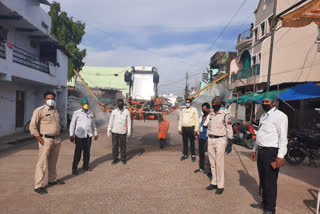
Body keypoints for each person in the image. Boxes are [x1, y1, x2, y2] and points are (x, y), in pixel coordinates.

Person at [250, 94, 288, 214]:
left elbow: (283, 138)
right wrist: (254, 149)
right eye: (263, 101)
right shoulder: (263, 116)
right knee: (263, 179)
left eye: (267, 102)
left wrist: (280, 156)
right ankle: (265, 202)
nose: (264, 104)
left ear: (273, 103)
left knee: (270, 180)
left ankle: (270, 208)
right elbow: (259, 134)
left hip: (271, 152)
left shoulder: (280, 116)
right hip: (261, 151)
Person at [29, 91, 64, 194]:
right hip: (46, 140)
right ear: (45, 100)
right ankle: (38, 185)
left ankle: (52, 179)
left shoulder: (56, 110)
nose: (51, 100)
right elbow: (32, 126)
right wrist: (39, 139)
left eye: (52, 99)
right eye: (49, 98)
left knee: (53, 161)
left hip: (56, 139)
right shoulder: (39, 110)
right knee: (42, 163)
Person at [205, 96, 233, 195]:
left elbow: (229, 128)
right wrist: (207, 137)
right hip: (211, 139)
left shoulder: (225, 115)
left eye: (216, 102)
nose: (214, 103)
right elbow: (208, 127)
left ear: (221, 104)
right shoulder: (211, 114)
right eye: (213, 102)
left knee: (219, 163)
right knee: (212, 163)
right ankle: (214, 182)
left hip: (220, 140)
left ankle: (220, 185)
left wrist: (230, 142)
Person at [69, 97, 98, 175]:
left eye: (87, 104)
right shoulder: (77, 113)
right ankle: (74, 168)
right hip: (79, 136)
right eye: (84, 104)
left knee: (87, 152)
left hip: (88, 136)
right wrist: (71, 135)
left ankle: (85, 166)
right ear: (81, 105)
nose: (85, 105)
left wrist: (96, 133)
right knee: (78, 153)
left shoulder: (91, 112)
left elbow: (93, 124)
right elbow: (72, 124)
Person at [107, 99, 131, 165]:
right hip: (115, 131)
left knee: (123, 145)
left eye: (121, 103)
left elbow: (129, 122)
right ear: (117, 104)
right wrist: (109, 130)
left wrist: (129, 130)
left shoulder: (126, 112)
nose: (120, 104)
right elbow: (111, 121)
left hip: (123, 131)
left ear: (123, 104)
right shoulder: (114, 112)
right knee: (115, 145)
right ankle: (115, 158)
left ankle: (123, 158)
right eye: (119, 103)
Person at [194, 102, 210, 173]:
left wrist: (206, 119)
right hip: (201, 137)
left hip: (208, 137)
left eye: (204, 109)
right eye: (202, 109)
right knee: (201, 153)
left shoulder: (211, 116)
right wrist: (197, 134)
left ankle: (210, 171)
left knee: (210, 154)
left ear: (208, 108)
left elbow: (206, 124)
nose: (203, 111)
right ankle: (201, 168)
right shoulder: (202, 116)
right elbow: (200, 125)